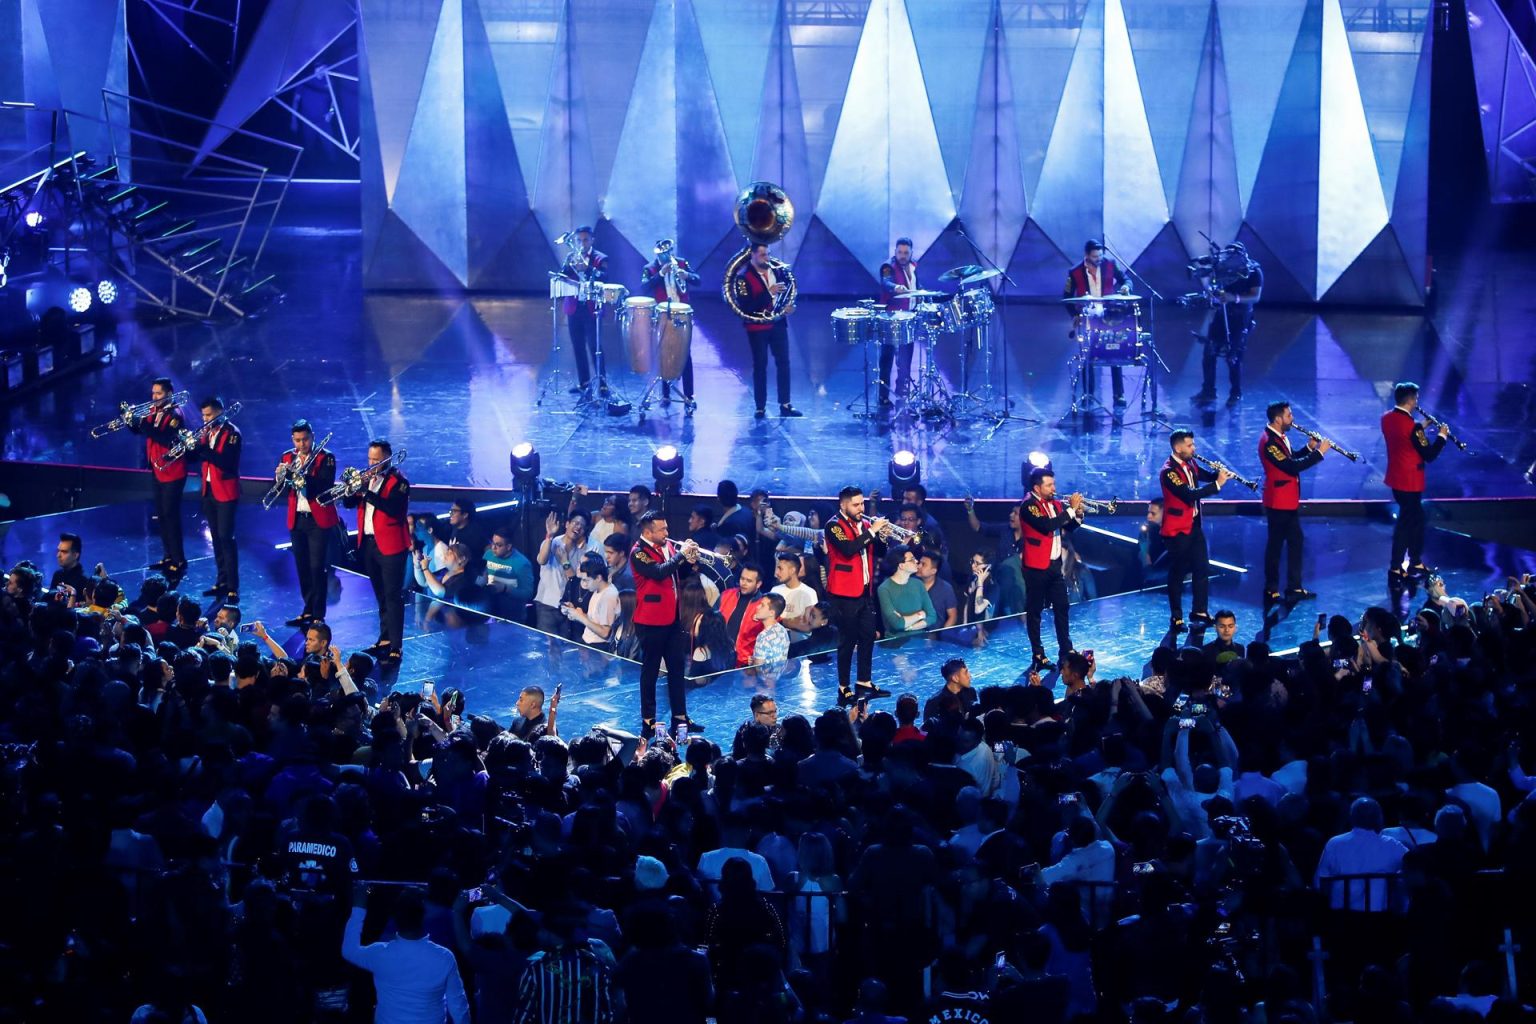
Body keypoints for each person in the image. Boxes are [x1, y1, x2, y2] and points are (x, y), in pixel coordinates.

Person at [341, 883, 470, 1024]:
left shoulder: (379, 953)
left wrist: (358, 907)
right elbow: (458, 1009)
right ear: (423, 916)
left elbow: (349, 951)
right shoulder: (444, 958)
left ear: (395, 919)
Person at [630, 510, 702, 736]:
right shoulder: (638, 552)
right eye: (662, 529)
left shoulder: (668, 547)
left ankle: (680, 718)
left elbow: (677, 571)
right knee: (650, 671)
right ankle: (648, 720)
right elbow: (660, 572)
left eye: (666, 528)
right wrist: (681, 555)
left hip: (673, 617)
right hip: (650, 620)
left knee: (677, 668)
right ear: (647, 531)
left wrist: (689, 561)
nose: (667, 533)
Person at [342, 439, 411, 667]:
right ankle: (384, 639)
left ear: (387, 459)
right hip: (369, 544)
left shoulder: (399, 482)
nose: (371, 464)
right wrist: (352, 489)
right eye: (369, 459)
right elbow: (349, 504)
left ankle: (396, 646)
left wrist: (366, 491)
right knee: (380, 594)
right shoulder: (367, 479)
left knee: (392, 595)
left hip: (391, 546)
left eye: (376, 460)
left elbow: (393, 509)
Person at [823, 487, 892, 705]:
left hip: (864, 591)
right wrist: (872, 532)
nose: (861, 508)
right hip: (843, 594)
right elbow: (848, 549)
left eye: (862, 503)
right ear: (843, 505)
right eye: (856, 504)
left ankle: (864, 682)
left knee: (867, 637)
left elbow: (879, 552)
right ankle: (843, 688)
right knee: (847, 641)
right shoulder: (833, 526)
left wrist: (882, 537)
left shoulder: (864, 525)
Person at [1159, 429, 1231, 632]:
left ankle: (1199, 611)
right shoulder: (1168, 472)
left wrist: (1218, 474)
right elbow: (1188, 494)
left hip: (1193, 526)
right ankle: (1176, 617)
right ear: (1177, 447)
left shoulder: (1190, 462)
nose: (1194, 448)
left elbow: (1203, 476)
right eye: (1190, 445)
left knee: (1201, 568)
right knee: (1178, 573)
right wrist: (1217, 485)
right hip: (1176, 530)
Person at [1257, 400, 1328, 603]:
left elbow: (1291, 458)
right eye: (1289, 415)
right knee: (1275, 546)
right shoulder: (1269, 442)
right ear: (1278, 419)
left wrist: (1308, 447)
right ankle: (1271, 588)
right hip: (1278, 502)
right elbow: (1289, 467)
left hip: (1288, 501)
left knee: (1296, 541)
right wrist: (1319, 453)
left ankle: (1294, 587)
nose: (1292, 418)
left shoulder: (1280, 437)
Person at [1381, 381, 1450, 582]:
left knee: (1415, 519)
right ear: (1411, 400)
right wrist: (1442, 436)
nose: (1417, 402)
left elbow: (1403, 436)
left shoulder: (1387, 418)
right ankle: (1397, 566)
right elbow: (1429, 454)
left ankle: (1415, 560)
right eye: (1416, 399)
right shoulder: (1412, 428)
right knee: (1407, 523)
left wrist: (1419, 427)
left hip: (1396, 478)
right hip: (1410, 481)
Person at [274, 420, 338, 627]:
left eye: (305, 439)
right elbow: (283, 491)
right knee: (302, 566)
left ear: (312, 437)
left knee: (317, 567)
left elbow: (324, 486)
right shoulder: (287, 457)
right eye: (298, 440)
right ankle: (307, 609)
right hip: (297, 518)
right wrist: (280, 478)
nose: (302, 444)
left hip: (318, 520)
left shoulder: (325, 457)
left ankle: (318, 614)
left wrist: (300, 476)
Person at [1020, 468, 1084, 670]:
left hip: (1055, 566)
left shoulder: (1055, 504)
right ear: (1037, 487)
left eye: (1053, 484)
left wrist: (1078, 516)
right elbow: (1047, 526)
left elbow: (1068, 526)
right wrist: (1070, 510)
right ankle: (1038, 654)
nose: (1054, 488)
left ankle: (1066, 649)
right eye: (1049, 485)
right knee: (1035, 611)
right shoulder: (1029, 506)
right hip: (1036, 567)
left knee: (1062, 607)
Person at [732, 241, 802, 418]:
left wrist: (788, 306)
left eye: (768, 254)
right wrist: (769, 292)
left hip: (778, 324)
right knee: (760, 366)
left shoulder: (777, 271)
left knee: (784, 363)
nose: (767, 258)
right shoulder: (742, 278)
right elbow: (746, 306)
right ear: (753, 255)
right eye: (763, 255)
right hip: (757, 328)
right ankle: (760, 407)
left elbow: (787, 293)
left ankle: (785, 404)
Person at [128, 377, 190, 575]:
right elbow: (140, 430)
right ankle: (168, 556)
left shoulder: (176, 414)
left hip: (173, 472)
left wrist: (142, 425)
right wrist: (129, 420)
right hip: (157, 469)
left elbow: (164, 438)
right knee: (162, 516)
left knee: (171, 517)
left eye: (159, 393)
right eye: (153, 393)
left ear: (169, 394)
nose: (154, 397)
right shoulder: (154, 411)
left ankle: (179, 559)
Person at [1192, 243, 1263, 407]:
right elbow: (1213, 286)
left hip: (1240, 317)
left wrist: (1234, 298)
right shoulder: (1222, 269)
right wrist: (1213, 293)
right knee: (1209, 352)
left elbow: (1255, 296)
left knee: (1234, 356)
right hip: (1221, 314)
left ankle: (1235, 392)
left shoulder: (1253, 271)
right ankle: (1208, 390)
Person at [189, 396, 242, 602]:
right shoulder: (206, 432)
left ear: (220, 412)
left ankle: (233, 586)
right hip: (209, 490)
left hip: (226, 492)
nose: (205, 419)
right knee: (217, 539)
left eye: (209, 415)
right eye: (203, 415)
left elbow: (227, 462)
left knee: (227, 539)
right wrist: (190, 446)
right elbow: (196, 457)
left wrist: (203, 449)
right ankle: (221, 580)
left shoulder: (232, 434)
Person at [1063, 239, 1126, 407]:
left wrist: (1127, 287)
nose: (1099, 258)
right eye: (1095, 256)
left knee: (1114, 352)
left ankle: (1119, 395)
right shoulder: (1075, 271)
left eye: (1100, 255)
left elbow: (1126, 280)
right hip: (1088, 317)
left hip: (1109, 315)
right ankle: (1088, 393)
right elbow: (1067, 296)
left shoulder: (1111, 264)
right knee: (1088, 355)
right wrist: (1074, 314)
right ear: (1087, 255)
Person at [640, 239, 700, 412]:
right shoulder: (649, 268)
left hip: (682, 313)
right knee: (664, 353)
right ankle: (666, 394)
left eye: (670, 251)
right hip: (662, 315)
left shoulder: (681, 263)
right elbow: (643, 288)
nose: (668, 255)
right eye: (664, 252)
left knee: (686, 355)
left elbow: (698, 280)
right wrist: (659, 275)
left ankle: (689, 395)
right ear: (657, 254)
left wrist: (687, 276)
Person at [558, 225, 609, 394]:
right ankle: (584, 382)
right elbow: (563, 275)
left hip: (592, 307)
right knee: (577, 345)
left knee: (595, 346)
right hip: (574, 307)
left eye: (585, 239)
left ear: (592, 240)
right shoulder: (571, 256)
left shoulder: (600, 258)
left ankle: (602, 384)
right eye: (579, 240)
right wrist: (568, 267)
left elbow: (604, 277)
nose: (582, 243)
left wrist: (586, 268)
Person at [877, 236, 919, 406]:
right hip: (890, 318)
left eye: (906, 253)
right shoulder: (888, 266)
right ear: (895, 252)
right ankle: (883, 396)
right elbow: (886, 281)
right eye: (899, 252)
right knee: (887, 358)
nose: (902, 255)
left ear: (911, 253)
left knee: (906, 358)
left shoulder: (914, 265)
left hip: (909, 317)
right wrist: (895, 287)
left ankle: (902, 392)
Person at [534, 509, 588, 636]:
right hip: (547, 604)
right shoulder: (552, 542)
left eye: (582, 526)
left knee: (566, 647)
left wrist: (565, 561)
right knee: (546, 645)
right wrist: (549, 535)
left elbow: (575, 580)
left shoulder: (583, 550)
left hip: (568, 607)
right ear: (567, 524)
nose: (578, 527)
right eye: (575, 523)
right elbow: (541, 560)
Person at [877, 546, 936, 638]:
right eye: (912, 560)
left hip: (920, 640)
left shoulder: (918, 584)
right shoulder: (884, 589)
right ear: (901, 565)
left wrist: (910, 626)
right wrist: (921, 615)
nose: (916, 561)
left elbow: (932, 616)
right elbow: (897, 624)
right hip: (895, 643)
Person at [479, 527, 535, 621]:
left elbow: (528, 593)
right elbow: (484, 575)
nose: (493, 548)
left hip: (512, 615)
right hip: (489, 610)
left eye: (498, 545)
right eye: (492, 543)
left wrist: (505, 588)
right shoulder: (488, 555)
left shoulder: (522, 563)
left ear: (508, 547)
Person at [565, 554, 620, 648]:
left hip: (598, 647)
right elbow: (596, 620)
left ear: (598, 578)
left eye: (586, 580)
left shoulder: (608, 596)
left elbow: (605, 633)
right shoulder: (598, 590)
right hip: (589, 643)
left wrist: (580, 617)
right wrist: (580, 615)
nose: (584, 584)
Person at [718, 563, 766, 667]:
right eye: (742, 579)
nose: (743, 583)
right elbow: (711, 622)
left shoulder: (764, 605)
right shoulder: (726, 595)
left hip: (744, 663)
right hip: (719, 658)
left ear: (758, 584)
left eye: (749, 581)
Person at [915, 551, 958, 628]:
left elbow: (953, 616)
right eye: (919, 563)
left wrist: (942, 634)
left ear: (933, 571)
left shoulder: (946, 589)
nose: (918, 566)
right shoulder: (911, 583)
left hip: (934, 635)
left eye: (923, 564)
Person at [750, 593, 790, 666]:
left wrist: (752, 663)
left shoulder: (763, 636)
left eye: (762, 605)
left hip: (765, 677)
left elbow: (758, 668)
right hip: (779, 675)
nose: (757, 607)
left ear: (771, 613)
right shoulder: (782, 630)